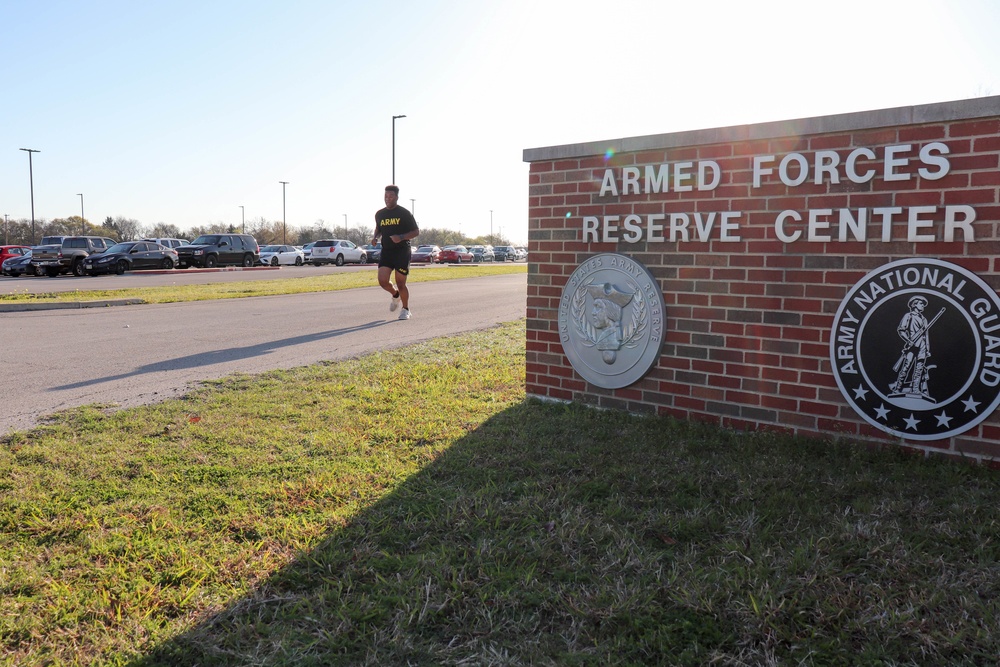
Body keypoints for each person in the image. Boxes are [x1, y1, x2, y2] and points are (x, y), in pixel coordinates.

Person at [372, 184, 419, 319]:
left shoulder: (404, 213)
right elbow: (379, 229)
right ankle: (395, 295)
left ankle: (405, 309)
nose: (388, 198)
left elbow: (416, 231)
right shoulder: (380, 214)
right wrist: (375, 237)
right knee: (382, 281)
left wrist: (401, 237)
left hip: (402, 252)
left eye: (391, 196)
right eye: (386, 196)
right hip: (387, 251)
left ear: (397, 197)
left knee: (400, 283)